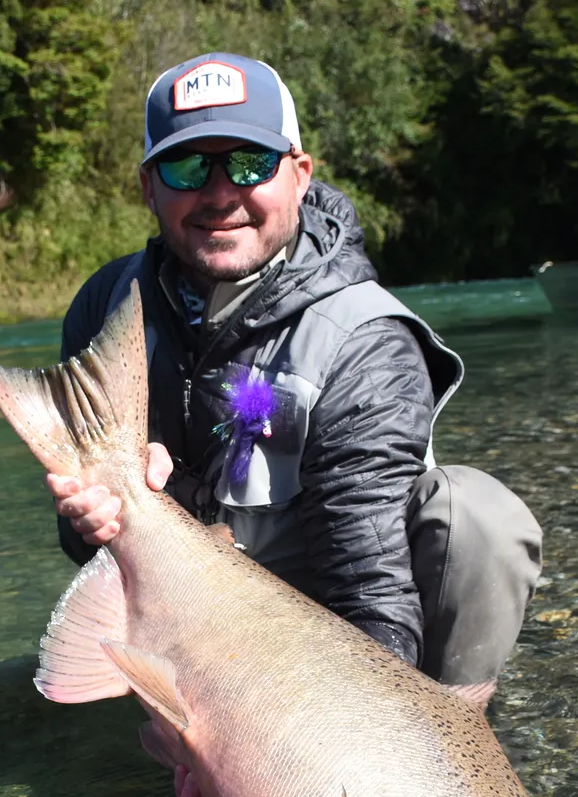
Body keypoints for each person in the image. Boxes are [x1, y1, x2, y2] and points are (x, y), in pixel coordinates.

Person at [48, 51, 542, 706]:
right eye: (187, 166)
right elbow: (80, 547)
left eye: (250, 163)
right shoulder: (109, 308)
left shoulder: (364, 341)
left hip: (324, 620)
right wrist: (96, 516)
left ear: (300, 174)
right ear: (148, 186)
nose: (219, 193)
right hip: (187, 615)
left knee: (478, 518)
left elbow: (369, 584)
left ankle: (453, 727)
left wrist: (364, 734)